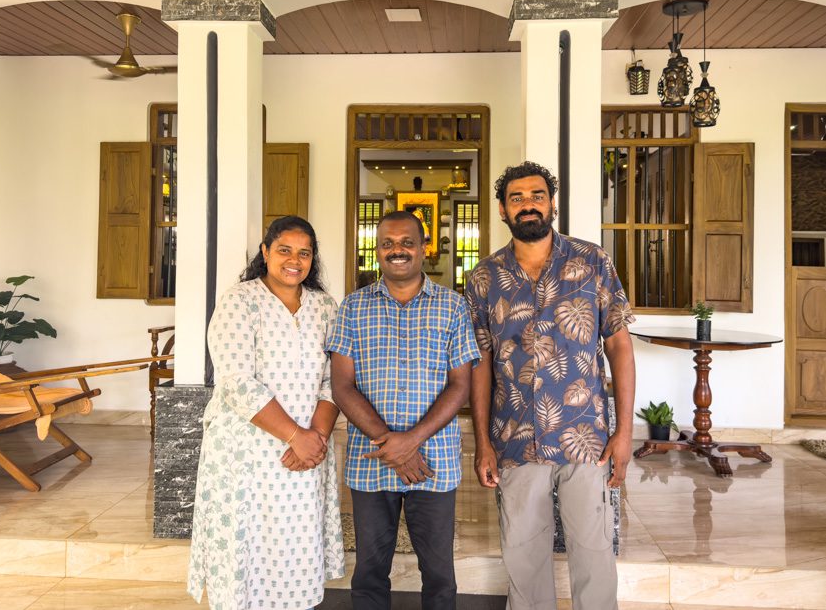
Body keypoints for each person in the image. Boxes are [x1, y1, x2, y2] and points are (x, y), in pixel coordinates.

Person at [466, 161, 636, 610]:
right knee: (523, 560)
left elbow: (619, 345)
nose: (528, 205)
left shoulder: (592, 261)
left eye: (536, 196)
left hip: (585, 438)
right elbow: (480, 364)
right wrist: (482, 442)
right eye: (517, 198)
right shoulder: (483, 278)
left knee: (594, 554)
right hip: (514, 437)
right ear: (502, 209)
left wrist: (624, 432)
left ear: (552, 204)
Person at [188, 215, 344, 610]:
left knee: (296, 544)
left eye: (304, 253)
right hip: (247, 452)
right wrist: (295, 435)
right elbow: (237, 381)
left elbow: (335, 380)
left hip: (306, 454)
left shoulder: (325, 307)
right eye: (284, 250)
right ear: (265, 252)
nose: (294, 260)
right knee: (248, 547)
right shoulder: (240, 301)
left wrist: (316, 438)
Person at [328, 210, 479, 610]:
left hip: (434, 462)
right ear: (377, 250)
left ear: (424, 248)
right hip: (371, 460)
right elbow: (342, 386)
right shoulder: (352, 308)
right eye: (388, 244)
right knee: (369, 572)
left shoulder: (453, 307)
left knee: (440, 575)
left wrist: (411, 441)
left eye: (407, 242)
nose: (397, 250)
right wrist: (390, 443)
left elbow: (460, 386)